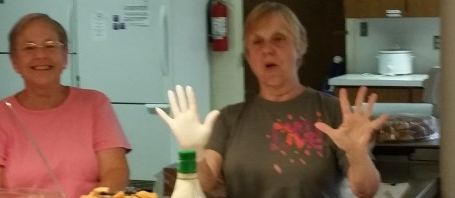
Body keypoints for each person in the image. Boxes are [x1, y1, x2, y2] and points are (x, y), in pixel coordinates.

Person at [155, 2, 387, 197]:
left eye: (279, 39)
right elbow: (204, 185)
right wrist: (194, 150)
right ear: (248, 55)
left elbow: (366, 190)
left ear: (299, 47)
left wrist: (358, 155)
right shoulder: (229, 118)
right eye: (257, 42)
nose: (267, 50)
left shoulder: (331, 111)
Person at [0, 13, 131, 197]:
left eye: (50, 45)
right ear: (15, 62)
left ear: (65, 56)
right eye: (29, 48)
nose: (41, 55)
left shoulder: (95, 103)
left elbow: (115, 170)